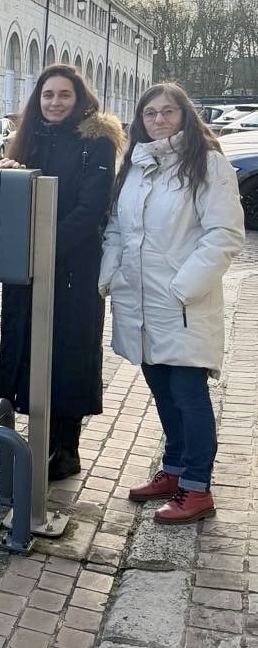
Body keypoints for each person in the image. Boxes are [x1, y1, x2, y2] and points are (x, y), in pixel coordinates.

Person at [100, 82, 244, 524]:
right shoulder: (135, 165)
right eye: (150, 113)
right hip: (140, 301)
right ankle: (175, 469)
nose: (159, 119)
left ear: (184, 115)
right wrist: (113, 274)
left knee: (188, 394)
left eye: (168, 111)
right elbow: (117, 228)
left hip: (182, 304)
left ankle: (197, 488)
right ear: (140, 120)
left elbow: (224, 234)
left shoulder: (208, 164)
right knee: (161, 389)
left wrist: (183, 288)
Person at [0, 64, 123, 479]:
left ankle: (66, 448)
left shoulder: (96, 142)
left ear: (79, 98)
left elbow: (91, 209)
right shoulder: (27, 138)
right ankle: (33, 438)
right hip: (28, 268)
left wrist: (44, 250)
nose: (55, 102)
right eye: (48, 95)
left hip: (72, 269)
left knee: (69, 354)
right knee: (25, 350)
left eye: (64, 95)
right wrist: (8, 175)